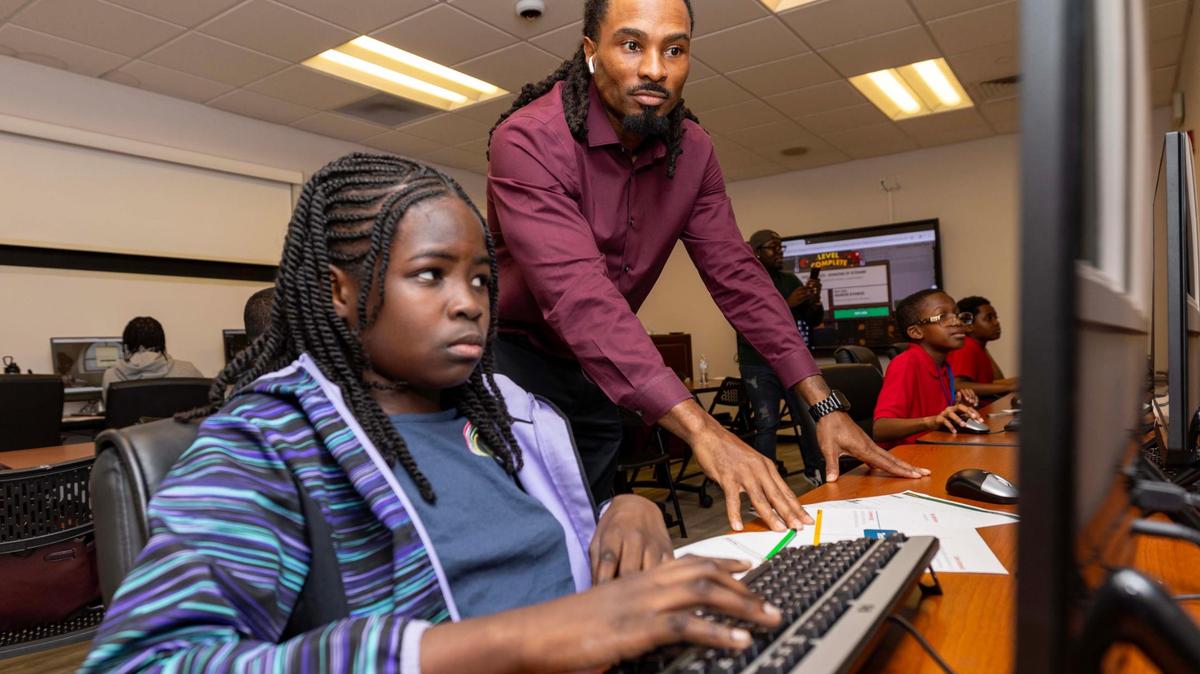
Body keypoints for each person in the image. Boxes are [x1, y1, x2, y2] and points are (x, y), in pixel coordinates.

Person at [80, 154, 780, 674]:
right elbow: (143, 664)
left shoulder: (506, 415)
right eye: (430, 274)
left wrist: (624, 510)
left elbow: (540, 553)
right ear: (337, 292)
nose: (470, 300)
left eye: (480, 277)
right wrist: (520, 639)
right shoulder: (263, 445)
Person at [486, 0, 928, 533]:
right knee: (525, 538)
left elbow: (738, 277)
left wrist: (821, 400)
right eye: (632, 45)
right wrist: (704, 430)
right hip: (510, 360)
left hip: (594, 368)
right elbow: (579, 297)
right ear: (590, 53)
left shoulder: (692, 150)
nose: (655, 68)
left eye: (674, 49)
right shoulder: (528, 138)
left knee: (590, 532)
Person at [737, 230, 826, 483]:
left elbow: (813, 320)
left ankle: (815, 471)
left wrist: (814, 300)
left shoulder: (789, 279)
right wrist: (788, 304)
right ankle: (766, 482)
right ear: (755, 252)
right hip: (757, 364)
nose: (779, 253)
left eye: (781, 248)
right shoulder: (747, 282)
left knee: (808, 418)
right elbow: (752, 323)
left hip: (791, 362)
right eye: (772, 248)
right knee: (767, 423)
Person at [873, 290, 984, 449]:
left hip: (934, 450)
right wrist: (930, 421)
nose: (957, 322)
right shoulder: (906, 363)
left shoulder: (942, 366)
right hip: (907, 459)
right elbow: (880, 428)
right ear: (916, 332)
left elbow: (939, 415)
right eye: (943, 317)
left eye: (957, 314)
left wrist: (959, 409)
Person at [101, 316, 203, 401]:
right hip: (173, 426)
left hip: (133, 426)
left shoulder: (111, 376)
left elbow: (113, 413)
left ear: (126, 348)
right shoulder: (188, 370)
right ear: (163, 346)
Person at [947, 295, 1018, 397]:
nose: (996, 323)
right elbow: (956, 385)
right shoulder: (965, 346)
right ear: (968, 326)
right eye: (989, 318)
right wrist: (1009, 387)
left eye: (996, 317)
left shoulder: (978, 347)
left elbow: (995, 382)